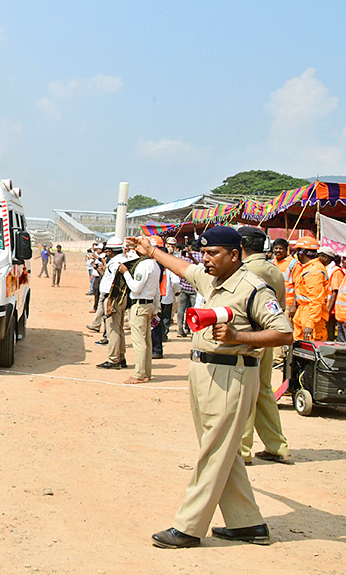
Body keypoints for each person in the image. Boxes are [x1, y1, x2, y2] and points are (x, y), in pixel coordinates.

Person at [124, 227, 291, 549]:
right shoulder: (213, 279)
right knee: (222, 450)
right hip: (205, 371)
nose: (206, 259)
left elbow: (283, 334)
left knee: (214, 451)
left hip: (233, 375)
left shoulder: (254, 288)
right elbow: (184, 268)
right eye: (204, 253)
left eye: (213, 253)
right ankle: (248, 524)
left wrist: (238, 337)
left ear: (234, 253)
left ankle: (188, 527)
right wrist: (151, 251)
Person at [238, 226, 292, 466]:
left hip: (248, 339)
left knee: (245, 393)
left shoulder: (244, 270)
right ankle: (277, 446)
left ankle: (243, 450)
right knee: (264, 391)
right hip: (269, 338)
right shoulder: (275, 270)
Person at [120, 237, 161, 384]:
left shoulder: (144, 265)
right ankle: (146, 372)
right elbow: (156, 291)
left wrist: (125, 273)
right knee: (147, 341)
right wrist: (156, 308)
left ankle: (139, 374)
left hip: (140, 305)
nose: (137, 248)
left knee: (139, 341)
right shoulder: (155, 265)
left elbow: (136, 288)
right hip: (149, 304)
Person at [93, 239, 129, 365]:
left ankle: (114, 359)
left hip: (113, 297)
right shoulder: (123, 259)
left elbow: (115, 282)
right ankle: (120, 356)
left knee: (113, 330)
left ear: (110, 251)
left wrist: (109, 303)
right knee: (119, 328)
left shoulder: (115, 262)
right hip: (119, 297)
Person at [290, 236, 328, 341]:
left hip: (311, 317)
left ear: (301, 253)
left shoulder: (314, 271)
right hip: (303, 313)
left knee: (310, 351)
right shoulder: (308, 268)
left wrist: (310, 324)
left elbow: (316, 300)